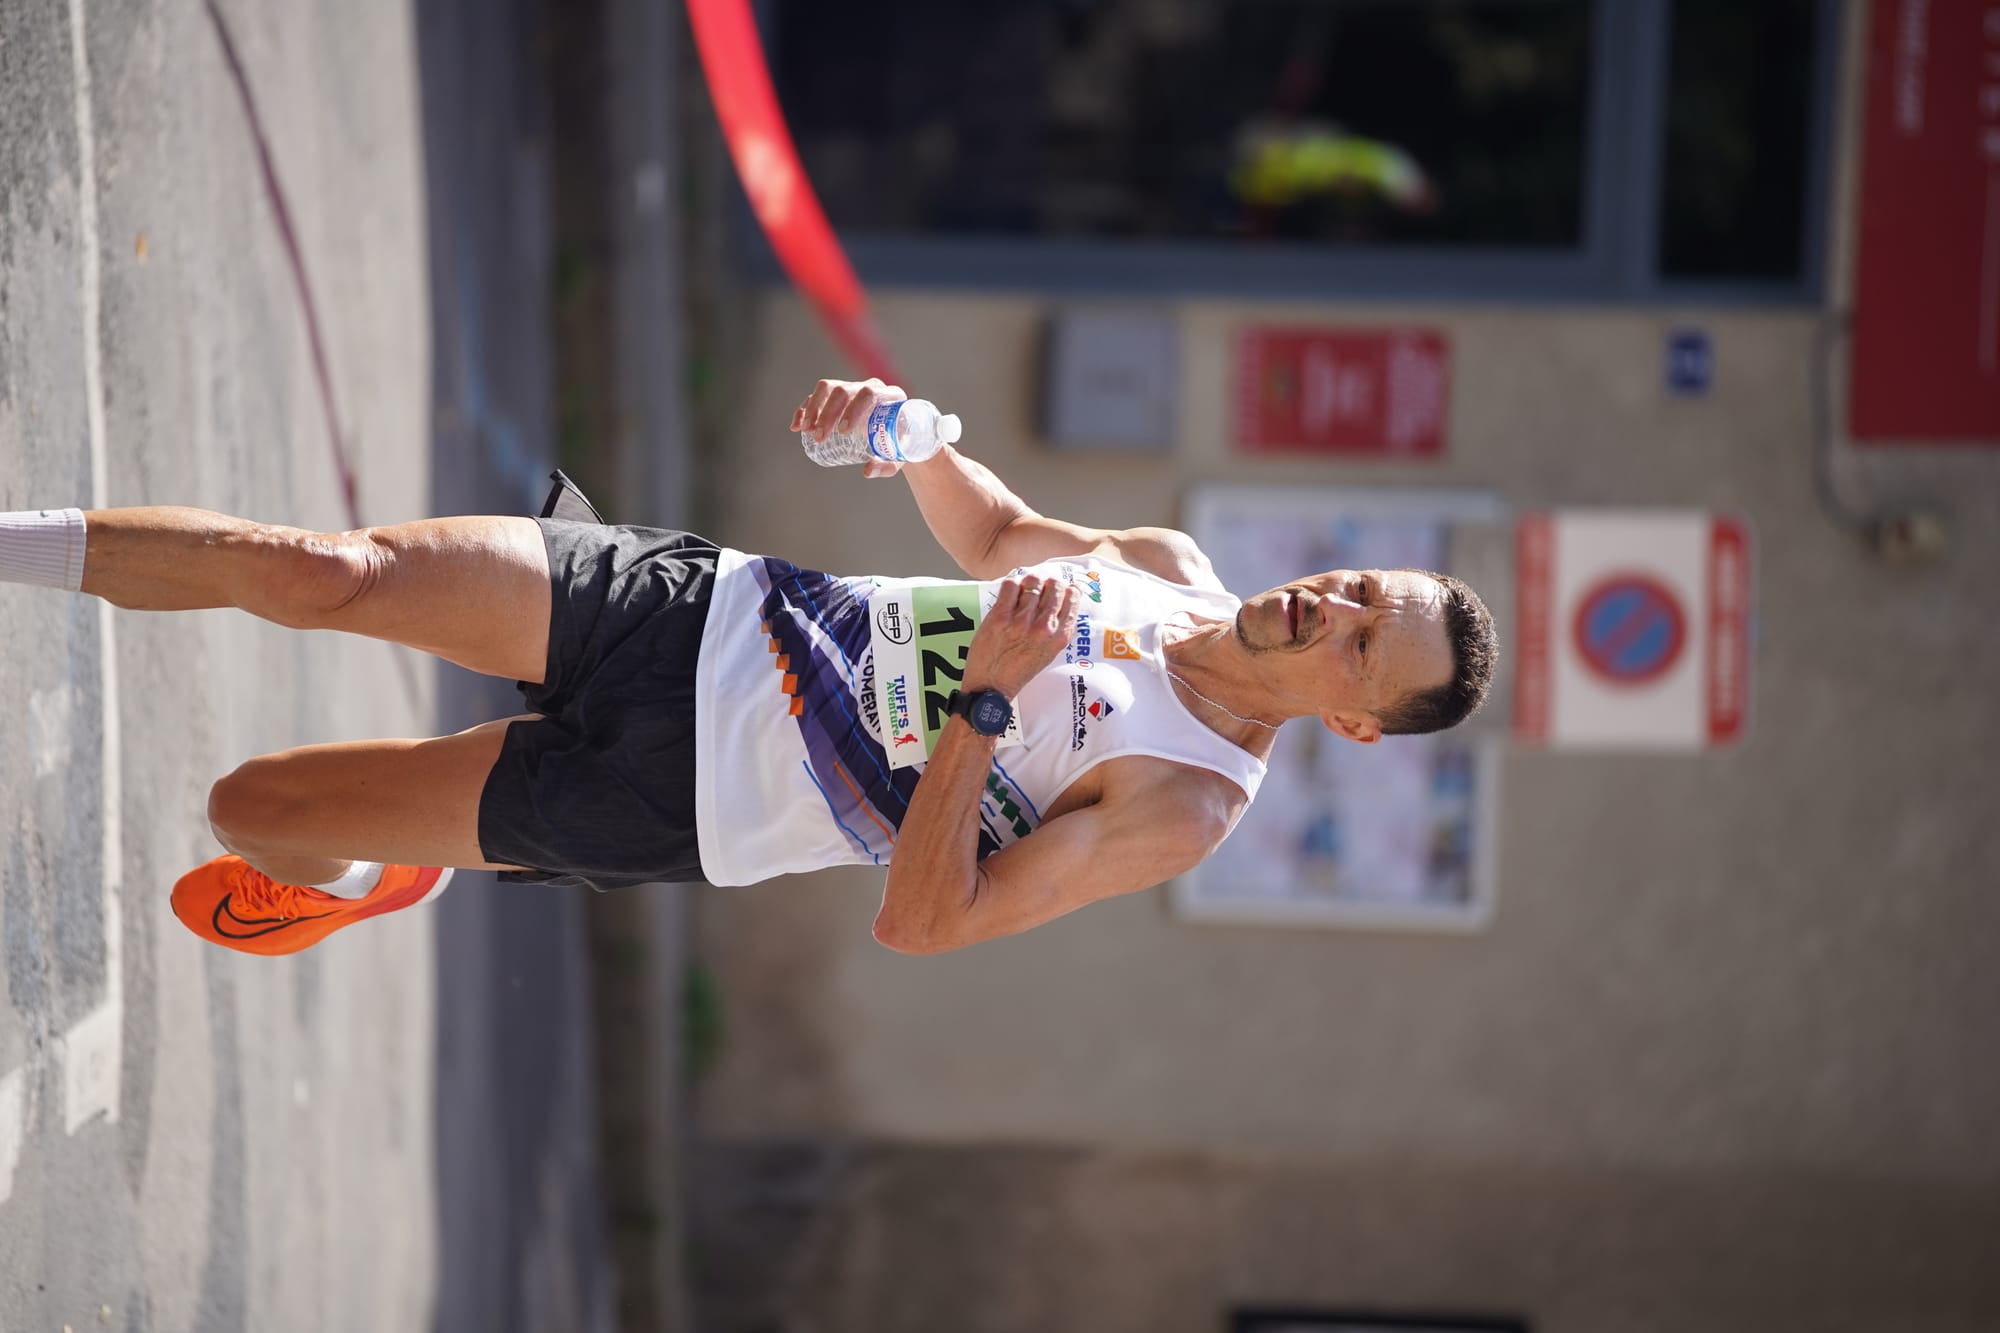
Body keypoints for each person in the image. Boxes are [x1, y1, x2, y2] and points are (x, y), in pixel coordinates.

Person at [0, 377, 1496, 957]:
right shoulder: (1174, 564)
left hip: (682, 800)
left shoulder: (1186, 802)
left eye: (1362, 641)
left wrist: (981, 706)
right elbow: (1000, 531)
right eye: (1358, 586)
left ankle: (368, 872)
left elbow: (926, 921)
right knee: (328, 573)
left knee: (247, 802)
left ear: (1356, 723)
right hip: (703, 613)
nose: (1329, 608)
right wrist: (916, 441)